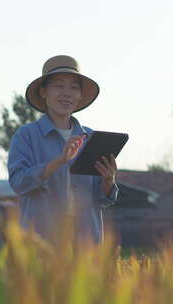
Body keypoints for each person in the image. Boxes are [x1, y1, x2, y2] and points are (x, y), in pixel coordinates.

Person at [7, 55, 119, 244]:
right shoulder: (26, 135)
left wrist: (108, 181)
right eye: (59, 86)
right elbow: (19, 183)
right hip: (41, 242)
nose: (67, 93)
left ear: (80, 95)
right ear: (44, 92)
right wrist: (58, 161)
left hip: (86, 243)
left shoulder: (90, 138)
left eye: (74, 87)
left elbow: (103, 199)